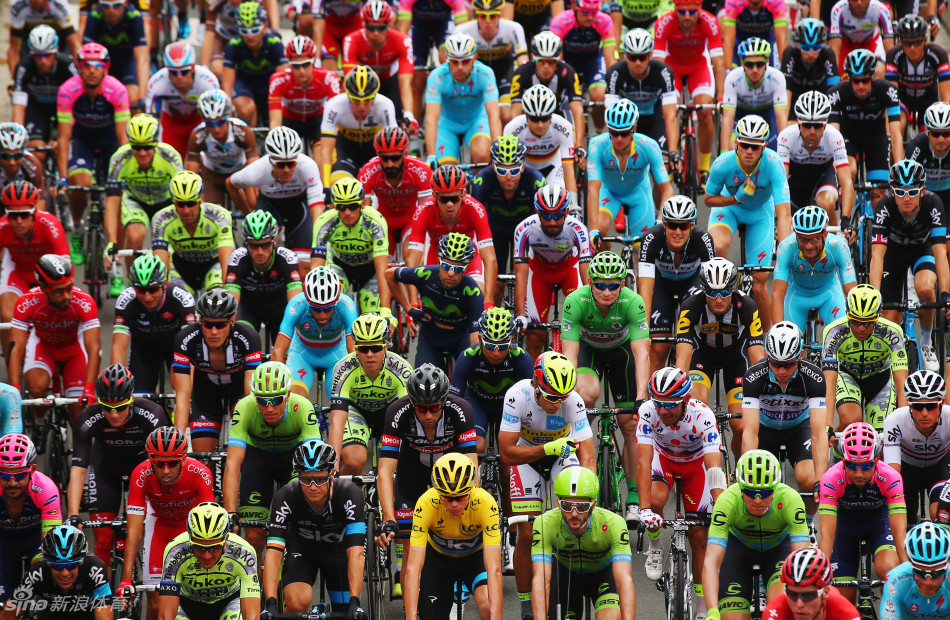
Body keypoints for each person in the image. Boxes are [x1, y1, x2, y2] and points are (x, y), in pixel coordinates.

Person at [500, 351, 595, 619]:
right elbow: (506, 453)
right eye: (552, 397)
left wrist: (591, 495)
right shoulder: (517, 396)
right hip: (526, 457)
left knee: (575, 521)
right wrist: (546, 448)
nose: (558, 403)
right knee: (527, 536)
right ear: (536, 385)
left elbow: (588, 456)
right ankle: (526, 607)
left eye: (563, 397)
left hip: (561, 456)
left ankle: (571, 594)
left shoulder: (572, 401)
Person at [561, 250, 649, 519]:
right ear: (590, 282)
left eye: (613, 286)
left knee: (630, 424)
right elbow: (570, 354)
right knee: (586, 394)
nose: (607, 292)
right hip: (589, 352)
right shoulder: (575, 301)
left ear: (622, 284)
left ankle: (633, 495)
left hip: (622, 353)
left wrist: (641, 398)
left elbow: (641, 353)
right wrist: (568, 396)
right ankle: (582, 450)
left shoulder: (633, 302)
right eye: (600, 285)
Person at [376, 365, 477, 594]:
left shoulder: (461, 410)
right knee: (410, 545)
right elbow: (385, 471)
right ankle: (410, 605)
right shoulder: (397, 411)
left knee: (453, 533)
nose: (428, 415)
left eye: (434, 408)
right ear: (412, 402)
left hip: (450, 474)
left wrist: (468, 505)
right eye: (422, 409)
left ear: (444, 401)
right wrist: (389, 518)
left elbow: (471, 466)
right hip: (411, 473)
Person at [637, 368, 724, 618]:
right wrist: (644, 509)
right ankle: (655, 544)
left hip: (696, 467)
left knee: (699, 537)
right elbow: (643, 462)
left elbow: (713, 467)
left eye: (670, 405)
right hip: (663, 460)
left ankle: (702, 607)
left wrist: (721, 506)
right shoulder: (648, 412)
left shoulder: (703, 415)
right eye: (659, 403)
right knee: (654, 500)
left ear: (686, 400)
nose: (663, 411)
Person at [67, 364, 170, 566]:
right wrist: (72, 514)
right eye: (107, 408)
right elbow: (78, 471)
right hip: (106, 469)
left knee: (141, 533)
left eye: (120, 408)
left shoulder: (152, 414)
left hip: (142, 470)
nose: (114, 415)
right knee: (103, 542)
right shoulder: (89, 418)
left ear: (131, 400)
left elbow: (164, 465)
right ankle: (105, 587)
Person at [223, 362, 321, 562]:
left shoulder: (302, 406)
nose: (269, 408)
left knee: (296, 527)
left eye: (276, 400)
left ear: (287, 396)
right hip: (258, 461)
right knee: (253, 537)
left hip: (293, 460)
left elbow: (315, 460)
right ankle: (257, 578)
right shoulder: (245, 407)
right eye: (262, 400)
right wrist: (230, 512)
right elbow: (233, 465)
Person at [118, 427, 214, 620]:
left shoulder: (201, 473)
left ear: (183, 459)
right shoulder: (140, 474)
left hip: (191, 530)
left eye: (172, 463)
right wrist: (126, 579)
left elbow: (208, 524)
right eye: (159, 464)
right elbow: (134, 532)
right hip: (160, 527)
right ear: (150, 460)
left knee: (198, 599)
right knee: (155, 604)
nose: (166, 471)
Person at [705, 114, 791, 329]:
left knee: (759, 283)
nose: (749, 151)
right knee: (718, 246)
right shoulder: (723, 163)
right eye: (745, 145)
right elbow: (708, 199)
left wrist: (785, 251)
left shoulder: (774, 163)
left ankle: (767, 337)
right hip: (729, 209)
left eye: (755, 146)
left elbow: (784, 213)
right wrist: (734, 199)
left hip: (760, 214)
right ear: (737, 143)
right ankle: (726, 296)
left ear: (764, 146)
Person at [263, 441, 366, 618]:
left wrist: (355, 602)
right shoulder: (285, 496)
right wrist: (270, 602)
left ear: (332, 474)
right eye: (305, 479)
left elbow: (356, 552)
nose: (312, 487)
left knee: (346, 611)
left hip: (339, 550)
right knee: (297, 603)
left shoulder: (350, 494)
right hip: (302, 551)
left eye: (319, 479)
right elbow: (273, 553)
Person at [703, 450, 810, 620]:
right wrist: (712, 611)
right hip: (738, 551)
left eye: (765, 492)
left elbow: (801, 558)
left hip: (778, 550)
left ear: (775, 489)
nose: (758, 500)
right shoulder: (727, 501)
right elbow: (711, 562)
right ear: (741, 489)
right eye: (751, 492)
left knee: (781, 609)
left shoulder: (790, 499)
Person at [675, 257, 765, 459]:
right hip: (702, 355)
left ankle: (740, 466)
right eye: (712, 292)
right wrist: (679, 389)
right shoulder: (691, 305)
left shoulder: (747, 305)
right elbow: (682, 355)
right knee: (695, 408)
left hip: (736, 357)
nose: (718, 299)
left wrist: (764, 391)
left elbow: (758, 356)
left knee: (741, 424)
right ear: (703, 289)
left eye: (725, 292)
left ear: (733, 288)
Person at [402, 453, 503, 620]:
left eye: (461, 497)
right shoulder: (426, 503)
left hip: (474, 560)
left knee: (488, 606)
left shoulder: (485, 503)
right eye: (448, 498)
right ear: (438, 492)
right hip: (438, 562)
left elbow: (495, 570)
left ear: (470, 491)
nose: (454, 504)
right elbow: (413, 569)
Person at [742, 321, 828, 516]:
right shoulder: (753, 376)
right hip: (765, 430)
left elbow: (818, 433)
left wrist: (819, 480)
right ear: (767, 355)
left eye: (789, 364)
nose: (781, 371)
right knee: (757, 481)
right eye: (775, 364)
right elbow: (750, 432)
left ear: (801, 355)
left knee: (808, 479)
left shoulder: (814, 377)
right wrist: (748, 471)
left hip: (798, 430)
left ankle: (807, 523)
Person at [871, 160, 949, 371]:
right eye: (900, 192)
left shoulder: (934, 204)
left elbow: (940, 253)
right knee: (891, 317)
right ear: (891, 191)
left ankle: (926, 341)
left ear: (922, 191)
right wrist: (874, 295)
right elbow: (877, 255)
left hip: (921, 251)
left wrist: (945, 294)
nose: (906, 198)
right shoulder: (884, 206)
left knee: (925, 289)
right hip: (892, 255)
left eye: (913, 192)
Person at [56, 41, 130, 265]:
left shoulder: (117, 90)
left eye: (97, 65)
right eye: (86, 65)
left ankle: (116, 260)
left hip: (110, 141)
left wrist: (126, 175)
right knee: (80, 183)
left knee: (117, 198)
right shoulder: (67, 90)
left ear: (106, 68)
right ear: (79, 67)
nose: (91, 70)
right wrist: (62, 177)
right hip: (83, 140)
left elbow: (123, 138)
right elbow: (63, 137)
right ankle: (78, 227)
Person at [7, 254, 100, 429]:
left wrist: (89, 389)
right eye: (58, 291)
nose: (66, 295)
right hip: (44, 347)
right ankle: (40, 422)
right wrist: (15, 389)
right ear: (43, 289)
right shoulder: (26, 303)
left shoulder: (84, 302)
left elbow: (94, 347)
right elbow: (15, 347)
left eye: (69, 287)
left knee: (80, 416)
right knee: (36, 389)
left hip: (74, 350)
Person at [531, 466, 635, 620]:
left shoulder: (613, 523)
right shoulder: (545, 523)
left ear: (593, 504)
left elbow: (624, 581)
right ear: (558, 503)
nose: (574, 513)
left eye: (582, 507)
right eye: (567, 505)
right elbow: (541, 580)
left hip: (602, 576)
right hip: (566, 577)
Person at [818, 422, 906, 604]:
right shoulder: (830, 479)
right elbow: (826, 535)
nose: (859, 473)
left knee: (891, 572)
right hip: (845, 528)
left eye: (865, 466)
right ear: (843, 461)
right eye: (852, 465)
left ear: (876, 460)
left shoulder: (891, 477)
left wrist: (906, 568)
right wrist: (820, 574)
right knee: (842, 599)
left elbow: (899, 532)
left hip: (879, 525)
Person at [172, 289, 262, 453]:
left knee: (245, 451)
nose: (214, 331)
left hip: (239, 391)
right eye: (208, 324)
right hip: (205, 393)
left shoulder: (248, 337)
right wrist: (176, 442)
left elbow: (251, 394)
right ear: (200, 320)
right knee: (204, 458)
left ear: (232, 320)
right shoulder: (185, 339)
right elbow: (183, 395)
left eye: (220, 325)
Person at [104, 113, 184, 296]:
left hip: (166, 202)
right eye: (136, 147)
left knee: (170, 242)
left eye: (147, 147)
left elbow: (182, 194)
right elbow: (112, 203)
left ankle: (167, 285)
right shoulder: (119, 158)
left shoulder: (170, 156)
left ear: (156, 143)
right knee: (135, 236)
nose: (141, 153)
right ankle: (135, 286)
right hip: (136, 201)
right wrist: (112, 242)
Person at [227, 126, 324, 270]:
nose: (286, 169)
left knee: (304, 266)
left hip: (298, 210)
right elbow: (231, 184)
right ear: (270, 161)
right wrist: (249, 214)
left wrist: (318, 240)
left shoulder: (308, 166)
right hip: (269, 207)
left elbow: (317, 210)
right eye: (280, 165)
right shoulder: (257, 170)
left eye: (291, 164)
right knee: (262, 261)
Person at [637, 195, 716, 373]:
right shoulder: (650, 238)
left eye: (684, 226)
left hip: (691, 282)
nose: (678, 232)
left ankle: (684, 386)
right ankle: (655, 390)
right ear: (664, 224)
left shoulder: (703, 239)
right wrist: (643, 332)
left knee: (689, 344)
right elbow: (645, 289)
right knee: (658, 348)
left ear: (692, 225)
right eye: (673, 225)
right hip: (661, 284)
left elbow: (710, 285)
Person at [513, 185, 591, 360]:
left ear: (566, 212)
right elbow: (520, 275)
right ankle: (532, 376)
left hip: (569, 270)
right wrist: (520, 314)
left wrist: (591, 306)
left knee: (581, 328)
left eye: (557, 216)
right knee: (535, 335)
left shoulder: (578, 229)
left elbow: (586, 274)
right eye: (546, 216)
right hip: (539, 273)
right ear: (538, 212)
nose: (552, 222)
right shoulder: (524, 229)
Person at [327, 312, 412, 473]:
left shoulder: (402, 369)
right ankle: (347, 487)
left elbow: (408, 418)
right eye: (363, 349)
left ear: (386, 346)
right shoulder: (343, 369)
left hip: (389, 413)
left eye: (376, 348)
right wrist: (333, 468)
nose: (370, 354)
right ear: (355, 348)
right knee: (354, 462)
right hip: (356, 411)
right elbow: (337, 421)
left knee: (396, 462)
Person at [385, 232, 485, 368]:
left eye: (457, 269)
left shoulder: (473, 292)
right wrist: (409, 309)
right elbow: (389, 275)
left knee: (472, 370)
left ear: (466, 268)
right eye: (446, 266)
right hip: (430, 337)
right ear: (438, 261)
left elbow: (475, 341)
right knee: (424, 380)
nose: (451, 273)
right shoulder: (425, 274)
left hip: (461, 338)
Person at [652, 0, 725, 181]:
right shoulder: (663, 23)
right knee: (670, 111)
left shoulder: (710, 21)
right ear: (675, 10)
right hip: (672, 68)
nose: (687, 16)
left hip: (698, 67)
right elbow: (658, 64)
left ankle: (704, 167)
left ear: (699, 9)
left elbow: (718, 61)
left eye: (691, 12)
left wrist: (721, 96)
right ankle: (671, 158)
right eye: (682, 12)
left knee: (705, 111)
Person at [822, 284, 908, 434]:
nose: (861, 328)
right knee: (851, 421)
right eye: (855, 321)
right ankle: (837, 448)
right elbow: (829, 382)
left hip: (880, 379)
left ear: (878, 317)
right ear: (847, 314)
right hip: (847, 375)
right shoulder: (834, 332)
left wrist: (904, 423)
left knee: (885, 434)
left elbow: (901, 381)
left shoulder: (892, 332)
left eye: (868, 323)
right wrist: (827, 425)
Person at [471, 136, 545, 305]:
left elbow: (539, 221)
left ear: (523, 167)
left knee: (524, 280)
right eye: (502, 171)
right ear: (493, 167)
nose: (508, 176)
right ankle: (494, 317)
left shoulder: (536, 180)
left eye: (514, 170)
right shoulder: (482, 180)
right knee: (496, 285)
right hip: (495, 230)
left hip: (526, 230)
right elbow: (475, 219)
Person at [450, 308, 534, 455]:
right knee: (477, 447)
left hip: (508, 406)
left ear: (511, 341)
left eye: (502, 346)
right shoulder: (468, 357)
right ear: (480, 340)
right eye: (489, 345)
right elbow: (454, 399)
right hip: (477, 402)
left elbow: (531, 399)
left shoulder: (522, 358)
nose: (496, 353)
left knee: (508, 452)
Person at [587, 98, 672, 240]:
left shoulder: (649, 146)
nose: (619, 138)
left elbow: (667, 189)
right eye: (614, 133)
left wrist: (660, 220)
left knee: (643, 246)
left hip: (638, 194)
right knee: (599, 232)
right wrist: (593, 230)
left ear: (634, 129)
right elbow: (593, 189)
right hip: (609, 193)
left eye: (625, 133)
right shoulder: (597, 145)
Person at [158, 503, 261, 620]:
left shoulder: (244, 552)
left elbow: (252, 616)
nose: (207, 556)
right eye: (199, 547)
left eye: (214, 548)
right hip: (187, 604)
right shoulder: (175, 551)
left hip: (228, 602)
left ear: (226, 539)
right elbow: (165, 616)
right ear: (190, 539)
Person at [404, 164, 497, 293]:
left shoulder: (475, 209)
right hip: (437, 256)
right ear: (434, 195)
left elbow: (490, 258)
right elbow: (412, 259)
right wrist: (413, 301)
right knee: (430, 296)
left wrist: (488, 300)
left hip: (468, 257)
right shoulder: (424, 210)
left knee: (477, 292)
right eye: (443, 199)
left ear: (463, 194)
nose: (449, 204)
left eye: (455, 198)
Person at [111, 254, 197, 393]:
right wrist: (116, 385)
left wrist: (186, 390)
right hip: (144, 349)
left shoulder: (182, 298)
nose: (147, 297)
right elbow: (118, 347)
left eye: (153, 289)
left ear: (164, 284)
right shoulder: (125, 300)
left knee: (182, 386)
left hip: (176, 348)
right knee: (138, 398)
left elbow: (191, 345)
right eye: (141, 290)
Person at [0, 180, 67, 357]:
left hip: (47, 275)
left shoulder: (50, 224)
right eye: (12, 215)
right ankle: (12, 363)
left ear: (34, 212)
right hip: (18, 272)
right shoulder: (2, 227)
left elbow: (65, 267)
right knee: (7, 318)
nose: (18, 221)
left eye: (24, 214)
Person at [828, 49, 903, 201]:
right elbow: (833, 134)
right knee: (849, 172)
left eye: (865, 80)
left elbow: (896, 135)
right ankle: (846, 211)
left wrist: (900, 170)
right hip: (848, 137)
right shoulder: (836, 93)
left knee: (879, 191)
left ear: (873, 76)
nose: (861, 85)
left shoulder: (888, 90)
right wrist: (836, 169)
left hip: (875, 137)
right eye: (856, 81)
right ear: (849, 79)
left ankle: (873, 217)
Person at [271, 267, 356, 398]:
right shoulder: (296, 305)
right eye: (316, 309)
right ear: (308, 301)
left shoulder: (346, 305)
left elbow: (353, 352)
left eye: (328, 309)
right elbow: (278, 352)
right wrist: (278, 388)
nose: (322, 315)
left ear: (336, 301)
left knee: (341, 401)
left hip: (337, 354)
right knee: (294, 400)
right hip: (302, 354)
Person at [312, 177, 391, 314]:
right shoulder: (324, 223)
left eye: (353, 206)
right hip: (339, 266)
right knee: (330, 308)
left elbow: (382, 270)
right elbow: (316, 270)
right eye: (341, 207)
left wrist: (386, 310)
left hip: (370, 269)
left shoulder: (375, 222)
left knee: (373, 319)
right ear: (334, 206)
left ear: (363, 203)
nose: (347, 212)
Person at [0, 434, 62, 607]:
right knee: (5, 607)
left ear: (32, 470)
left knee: (47, 577)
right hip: (4, 543)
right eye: (5, 475)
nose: (12, 483)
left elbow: (51, 541)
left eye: (20, 475)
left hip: (36, 539)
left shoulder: (46, 489)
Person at [772, 205, 857, 329]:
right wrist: (778, 332)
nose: (809, 246)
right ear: (796, 236)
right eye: (802, 239)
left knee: (843, 334)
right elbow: (777, 295)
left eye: (815, 239)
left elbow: (852, 294)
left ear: (825, 235)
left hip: (829, 295)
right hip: (796, 296)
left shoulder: (838, 247)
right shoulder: (786, 248)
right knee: (785, 338)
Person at [225, 210, 303, 344]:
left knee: (289, 337)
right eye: (253, 245)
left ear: (275, 240)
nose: (259, 251)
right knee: (239, 335)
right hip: (249, 309)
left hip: (279, 309)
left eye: (265, 245)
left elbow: (295, 303)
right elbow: (231, 303)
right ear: (246, 242)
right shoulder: (238, 258)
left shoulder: (287, 258)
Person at [776, 91, 853, 225]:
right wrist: (778, 218)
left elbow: (847, 182)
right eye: (807, 125)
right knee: (787, 216)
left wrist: (846, 220)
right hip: (795, 181)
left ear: (825, 124)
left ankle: (834, 237)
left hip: (823, 177)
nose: (812, 131)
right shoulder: (786, 136)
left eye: (817, 125)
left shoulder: (834, 137)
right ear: (799, 123)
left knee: (827, 203)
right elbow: (781, 182)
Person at [1, 525, 110, 620]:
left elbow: (104, 615)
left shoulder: (95, 568)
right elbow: (8, 615)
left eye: (71, 565)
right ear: (48, 563)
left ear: (81, 561)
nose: (65, 573)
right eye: (58, 566)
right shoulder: (38, 572)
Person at [883, 370, 950, 525]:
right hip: (907, 470)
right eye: (918, 407)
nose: (924, 413)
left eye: (931, 406)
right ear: (910, 405)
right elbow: (893, 473)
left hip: (939, 467)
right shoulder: (895, 420)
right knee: (903, 521)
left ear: (941, 403)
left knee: (941, 515)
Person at [424, 33, 501, 167]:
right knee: (447, 170)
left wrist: (497, 149)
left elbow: (494, 115)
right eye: (455, 62)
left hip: (476, 122)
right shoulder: (436, 77)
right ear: (447, 59)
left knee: (483, 156)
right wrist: (431, 155)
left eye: (465, 61)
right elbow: (431, 119)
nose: (460, 67)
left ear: (474, 58)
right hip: (446, 125)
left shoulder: (485, 74)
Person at [152, 171, 235, 294]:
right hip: (181, 268)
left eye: (191, 203)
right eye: (180, 204)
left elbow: (227, 264)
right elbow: (161, 266)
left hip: (213, 265)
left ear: (202, 199)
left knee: (217, 297)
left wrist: (227, 295)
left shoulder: (220, 216)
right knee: (175, 297)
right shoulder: (161, 219)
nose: (186, 210)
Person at [357, 126, 432, 257]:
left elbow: (426, 212)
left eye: (395, 158)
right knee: (382, 263)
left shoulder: (421, 170)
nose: (390, 164)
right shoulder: (367, 171)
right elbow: (364, 212)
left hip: (411, 220)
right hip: (382, 220)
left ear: (405, 154)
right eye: (384, 158)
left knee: (413, 259)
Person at [605, 29, 679, 160]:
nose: (638, 62)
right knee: (623, 159)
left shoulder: (664, 72)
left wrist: (673, 152)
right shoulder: (615, 73)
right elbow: (611, 115)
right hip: (627, 122)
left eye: (642, 57)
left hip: (655, 119)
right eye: (633, 58)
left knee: (663, 161)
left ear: (650, 55)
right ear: (626, 55)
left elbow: (670, 116)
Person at [320, 64, 397, 186]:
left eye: (367, 100)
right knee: (339, 187)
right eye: (356, 100)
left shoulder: (385, 105)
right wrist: (326, 187)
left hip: (374, 153)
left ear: (374, 97)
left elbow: (393, 146)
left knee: (381, 188)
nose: (361, 106)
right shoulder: (334, 106)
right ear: (348, 96)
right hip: (345, 152)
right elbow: (326, 149)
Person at [269, 35, 342, 163]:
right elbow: (275, 123)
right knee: (286, 157)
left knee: (321, 154)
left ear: (313, 61)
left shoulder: (329, 78)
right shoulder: (278, 80)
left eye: (306, 64)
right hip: (290, 121)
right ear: (289, 64)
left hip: (317, 121)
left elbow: (336, 116)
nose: (301, 71)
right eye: (296, 66)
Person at [10, 26, 76, 166]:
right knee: (37, 153)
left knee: (66, 149)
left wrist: (64, 139)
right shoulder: (24, 66)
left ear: (56, 50)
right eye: (38, 56)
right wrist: (16, 139)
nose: (43, 61)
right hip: (37, 107)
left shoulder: (67, 65)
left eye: (47, 55)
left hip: (63, 108)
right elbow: (18, 106)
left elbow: (78, 102)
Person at [455, 0, 528, 125]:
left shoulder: (513, 28)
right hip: (478, 74)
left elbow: (523, 60)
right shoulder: (462, 31)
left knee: (505, 115)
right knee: (479, 114)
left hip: (505, 71)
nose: (488, 21)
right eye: (483, 16)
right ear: (477, 16)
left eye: (492, 16)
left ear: (499, 15)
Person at [145, 42, 221, 161]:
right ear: (167, 70)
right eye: (173, 72)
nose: (179, 76)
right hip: (172, 124)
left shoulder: (208, 81)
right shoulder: (157, 83)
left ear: (193, 68)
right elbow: (152, 120)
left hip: (199, 122)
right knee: (168, 160)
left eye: (184, 71)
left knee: (205, 160)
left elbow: (217, 114)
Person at [341, 0, 414, 122]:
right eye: (371, 28)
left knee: (398, 119)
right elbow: (350, 79)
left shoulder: (402, 41)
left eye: (381, 28)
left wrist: (409, 115)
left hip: (390, 82)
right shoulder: (351, 40)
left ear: (388, 25)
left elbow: (406, 83)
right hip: (364, 83)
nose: (376, 33)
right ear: (364, 25)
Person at [549, 0, 617, 131]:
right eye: (585, 12)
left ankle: (599, 129)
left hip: (592, 63)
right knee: (563, 96)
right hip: (568, 63)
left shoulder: (604, 20)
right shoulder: (561, 21)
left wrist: (611, 85)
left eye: (594, 12)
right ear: (574, 7)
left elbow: (610, 60)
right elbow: (556, 59)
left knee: (599, 96)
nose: (590, 17)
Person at [186, 88, 260, 205]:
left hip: (240, 172)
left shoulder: (242, 130)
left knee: (253, 205)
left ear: (227, 116)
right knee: (209, 211)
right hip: (213, 175)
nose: (216, 128)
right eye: (210, 123)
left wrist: (255, 188)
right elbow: (192, 166)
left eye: (220, 122)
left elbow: (253, 159)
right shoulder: (197, 135)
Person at [221, 2, 288, 126]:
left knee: (274, 122)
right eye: (244, 31)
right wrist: (227, 113)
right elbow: (227, 84)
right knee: (245, 110)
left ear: (264, 26)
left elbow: (283, 80)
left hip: (269, 86)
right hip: (244, 84)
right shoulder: (233, 46)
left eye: (255, 30)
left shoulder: (274, 44)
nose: (250, 36)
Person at [509, 32, 586, 136]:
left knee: (572, 135)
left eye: (551, 62)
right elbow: (515, 113)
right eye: (541, 61)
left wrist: (579, 143)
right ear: (533, 57)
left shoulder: (568, 72)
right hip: (531, 113)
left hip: (559, 109)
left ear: (559, 58)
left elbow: (578, 112)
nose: (546, 66)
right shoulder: (522, 72)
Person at [503, 85, 576, 192]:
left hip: (554, 167)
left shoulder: (563, 126)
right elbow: (509, 168)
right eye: (534, 119)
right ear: (526, 115)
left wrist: (573, 200)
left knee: (556, 196)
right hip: (526, 169)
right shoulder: (512, 128)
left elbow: (568, 170)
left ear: (551, 114)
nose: (540, 124)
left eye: (545, 118)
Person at [721, 37, 788, 153]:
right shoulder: (733, 78)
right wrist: (723, 154)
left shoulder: (777, 78)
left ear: (767, 62)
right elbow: (728, 119)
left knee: (773, 149)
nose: (755, 69)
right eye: (749, 64)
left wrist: (785, 152)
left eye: (760, 64)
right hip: (740, 115)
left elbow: (781, 117)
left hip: (767, 115)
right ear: (741, 63)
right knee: (733, 147)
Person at [886, 14, 950, 135]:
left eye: (917, 42)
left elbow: (947, 98)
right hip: (903, 99)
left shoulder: (938, 54)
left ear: (925, 40)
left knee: (927, 133)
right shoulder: (893, 55)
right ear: (900, 41)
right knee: (897, 120)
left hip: (928, 100)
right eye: (907, 43)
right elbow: (892, 95)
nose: (912, 48)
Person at [760, 547, 861, 620]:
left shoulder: (844, 613)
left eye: (808, 595)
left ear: (825, 592)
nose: (799, 604)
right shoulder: (775, 610)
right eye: (792, 594)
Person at [81, 0, 149, 109]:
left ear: (124, 4)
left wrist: (143, 97)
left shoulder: (134, 16)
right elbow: (85, 56)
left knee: (133, 98)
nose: (111, 10)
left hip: (127, 61)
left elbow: (142, 59)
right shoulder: (94, 16)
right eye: (106, 6)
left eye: (116, 6)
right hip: (103, 62)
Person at [879, 522, 950, 620]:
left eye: (936, 573)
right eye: (920, 573)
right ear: (910, 565)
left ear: (947, 565)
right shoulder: (896, 580)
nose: (928, 582)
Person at [781, 19, 840, 117]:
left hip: (820, 100)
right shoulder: (790, 53)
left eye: (816, 48)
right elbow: (787, 90)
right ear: (798, 45)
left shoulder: (828, 53)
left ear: (823, 44)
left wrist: (832, 120)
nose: (811, 54)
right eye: (806, 48)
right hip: (795, 100)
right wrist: (784, 122)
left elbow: (834, 91)